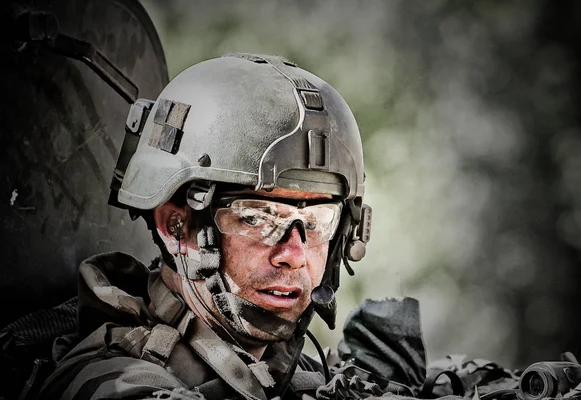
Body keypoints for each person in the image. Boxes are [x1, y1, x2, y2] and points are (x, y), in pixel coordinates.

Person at [37, 53, 376, 400]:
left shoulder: (294, 370)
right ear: (175, 225)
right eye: (257, 218)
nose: (293, 255)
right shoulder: (115, 379)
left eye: (317, 222)